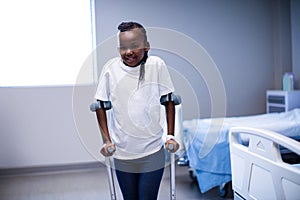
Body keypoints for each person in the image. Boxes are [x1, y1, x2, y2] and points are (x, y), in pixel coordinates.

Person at [94, 21, 180, 200]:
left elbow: (169, 100)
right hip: (123, 152)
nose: (128, 52)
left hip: (153, 150)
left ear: (147, 46)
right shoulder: (110, 68)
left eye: (134, 46)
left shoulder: (157, 65)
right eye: (123, 47)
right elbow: (100, 105)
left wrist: (170, 135)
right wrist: (106, 141)